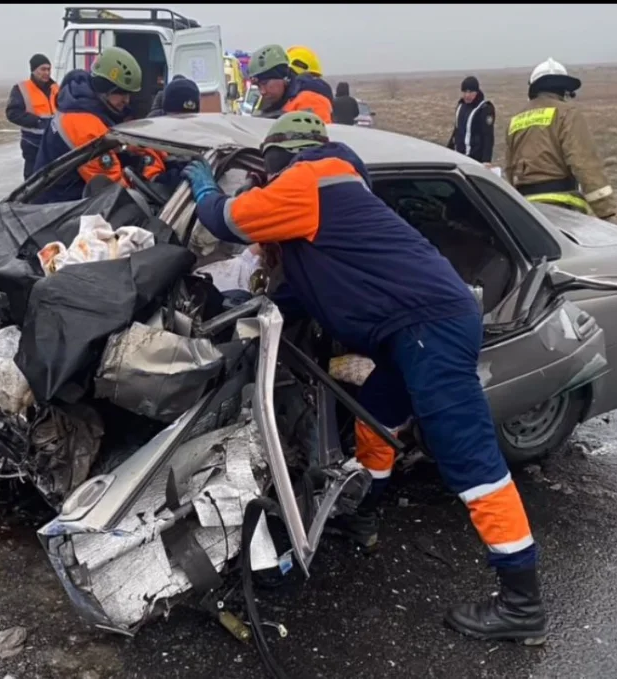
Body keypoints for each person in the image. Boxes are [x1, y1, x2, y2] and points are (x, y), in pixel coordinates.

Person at [180, 112, 548, 645]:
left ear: (280, 157)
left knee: (469, 458)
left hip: (429, 328)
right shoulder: (331, 201)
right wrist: (239, 306)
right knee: (375, 416)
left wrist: (204, 185)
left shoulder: (309, 180)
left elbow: (224, 220)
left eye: (267, 169)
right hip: (410, 330)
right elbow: (303, 289)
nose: (267, 180)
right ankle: (364, 516)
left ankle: (522, 603)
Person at [30, 46, 164, 203]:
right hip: (60, 211)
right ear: (104, 88)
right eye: (121, 92)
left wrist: (131, 148)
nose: (126, 100)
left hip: (57, 198)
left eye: (129, 94)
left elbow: (107, 144)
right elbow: (116, 191)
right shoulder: (84, 125)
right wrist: (153, 172)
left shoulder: (80, 102)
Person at [504, 58, 616, 220]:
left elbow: (509, 168)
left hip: (527, 209)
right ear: (564, 91)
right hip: (562, 207)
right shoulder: (568, 113)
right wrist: (605, 211)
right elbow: (584, 163)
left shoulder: (516, 120)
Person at [246, 44, 334, 123]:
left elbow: (318, 137)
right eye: (258, 86)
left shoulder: (309, 100)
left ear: (283, 77)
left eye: (265, 83)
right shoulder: (273, 103)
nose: (262, 91)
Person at [5, 53, 60, 180]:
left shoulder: (55, 88)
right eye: (43, 69)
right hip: (33, 143)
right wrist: (36, 121)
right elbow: (12, 113)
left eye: (48, 69)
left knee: (54, 178)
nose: (46, 72)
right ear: (33, 70)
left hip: (53, 142)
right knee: (33, 181)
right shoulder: (22, 88)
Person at [447, 76, 495, 164]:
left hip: (475, 159)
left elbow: (488, 136)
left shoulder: (485, 109)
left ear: (476, 92)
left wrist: (486, 160)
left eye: (470, 92)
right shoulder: (461, 106)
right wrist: (447, 151)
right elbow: (457, 131)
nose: (467, 95)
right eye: (464, 92)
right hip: (459, 157)